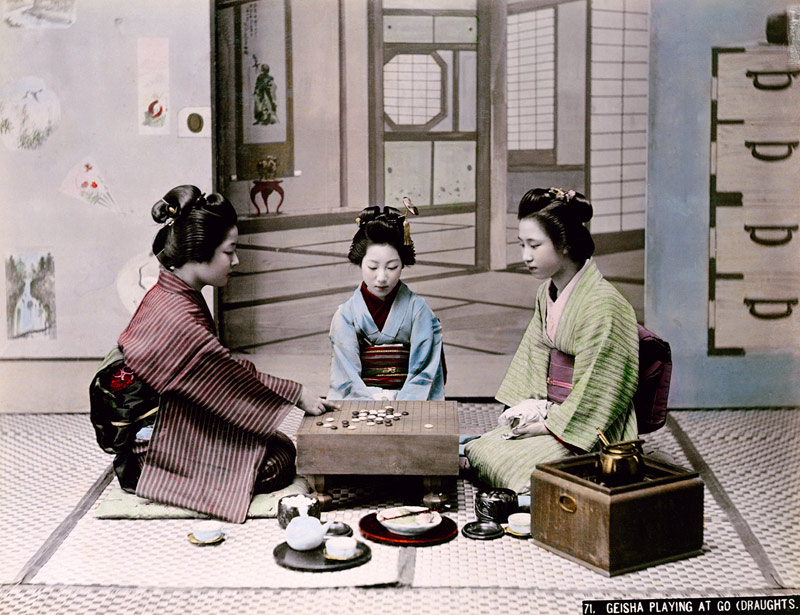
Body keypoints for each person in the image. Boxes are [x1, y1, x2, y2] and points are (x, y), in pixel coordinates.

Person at [113, 185, 336, 523]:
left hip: (172, 419)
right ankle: (156, 479)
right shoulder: (177, 312)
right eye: (229, 251)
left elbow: (218, 370)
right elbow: (225, 374)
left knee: (271, 442)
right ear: (201, 249)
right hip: (153, 445)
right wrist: (296, 393)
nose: (236, 260)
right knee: (278, 462)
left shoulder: (172, 290)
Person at [463, 187, 639, 494]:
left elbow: (601, 386)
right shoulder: (546, 294)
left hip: (591, 425)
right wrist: (529, 411)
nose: (525, 256)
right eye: (522, 245)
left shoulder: (604, 305)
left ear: (566, 244)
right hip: (550, 410)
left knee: (510, 470)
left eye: (534, 245)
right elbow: (534, 354)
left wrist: (550, 425)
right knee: (481, 450)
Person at [328, 204, 445, 401]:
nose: (381, 277)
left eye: (392, 267)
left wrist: (401, 405)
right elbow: (346, 378)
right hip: (360, 404)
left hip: (411, 402)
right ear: (360, 262)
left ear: (402, 264)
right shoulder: (346, 315)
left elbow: (424, 372)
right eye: (372, 267)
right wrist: (371, 402)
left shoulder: (419, 311)